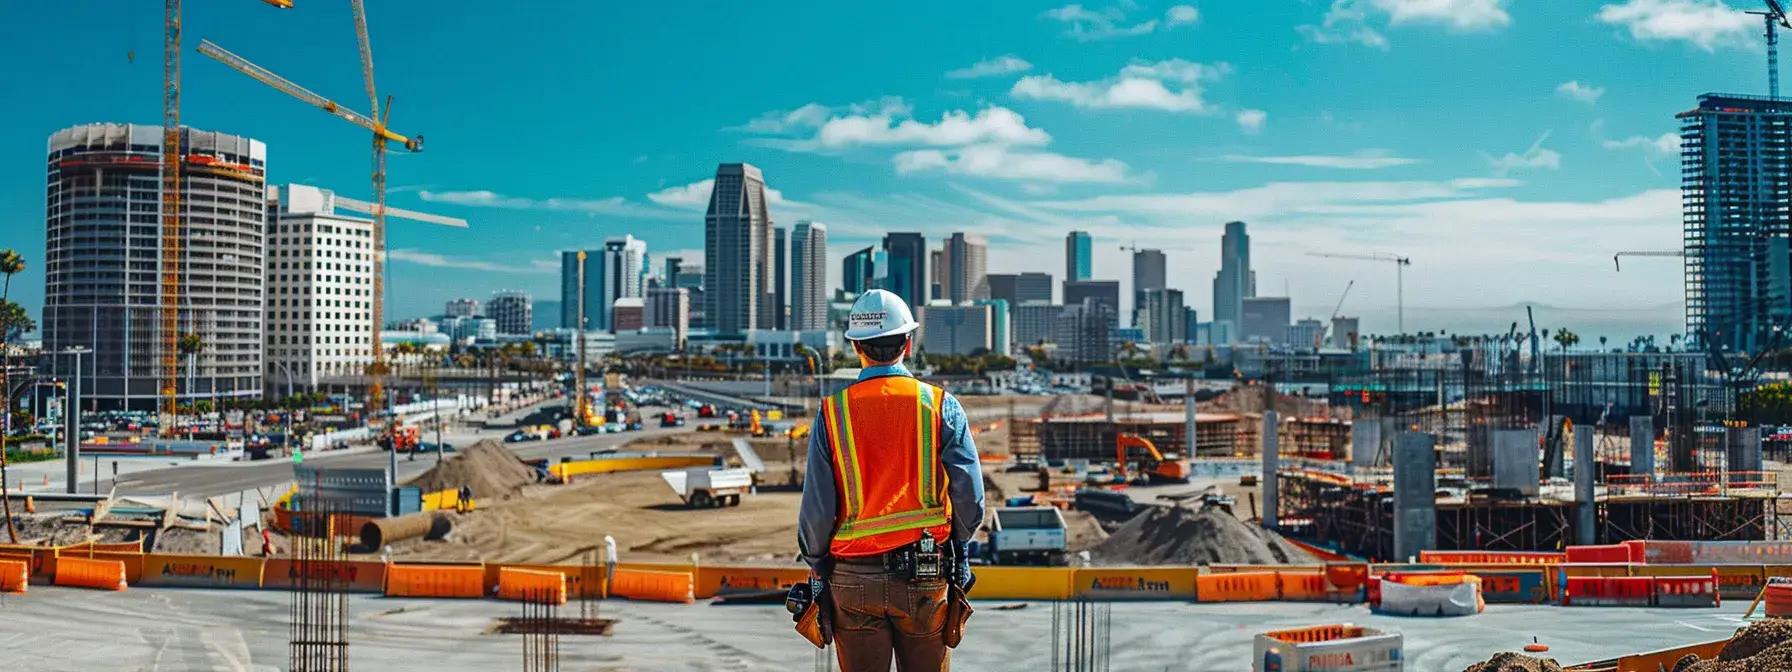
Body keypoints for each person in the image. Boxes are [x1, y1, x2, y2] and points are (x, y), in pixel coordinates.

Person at [794, 289, 985, 672]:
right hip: (924, 576)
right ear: (908, 343)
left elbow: (817, 508)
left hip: (852, 578)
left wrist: (817, 564)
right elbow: (971, 500)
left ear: (856, 346)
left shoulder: (833, 413)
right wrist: (959, 546)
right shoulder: (939, 404)